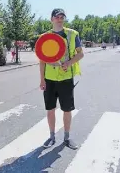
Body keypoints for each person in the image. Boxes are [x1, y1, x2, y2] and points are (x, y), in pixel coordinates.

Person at [39, 8, 84, 149]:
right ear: (51, 19)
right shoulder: (44, 37)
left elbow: (80, 54)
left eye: (62, 16)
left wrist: (69, 63)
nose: (59, 19)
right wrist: (42, 79)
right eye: (57, 16)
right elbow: (42, 60)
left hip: (66, 78)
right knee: (50, 109)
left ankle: (67, 138)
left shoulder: (72, 34)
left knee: (67, 109)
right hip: (50, 79)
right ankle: (51, 137)